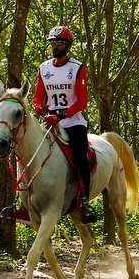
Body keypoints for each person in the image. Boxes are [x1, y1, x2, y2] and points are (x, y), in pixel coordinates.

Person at [33, 26, 96, 223]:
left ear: (67, 45)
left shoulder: (77, 68)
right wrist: (41, 109)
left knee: (80, 154)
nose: (55, 47)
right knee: (27, 149)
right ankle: (24, 201)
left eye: (59, 43)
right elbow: (37, 98)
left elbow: (82, 101)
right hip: (50, 121)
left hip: (73, 121)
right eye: (53, 43)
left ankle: (84, 200)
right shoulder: (44, 68)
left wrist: (61, 115)